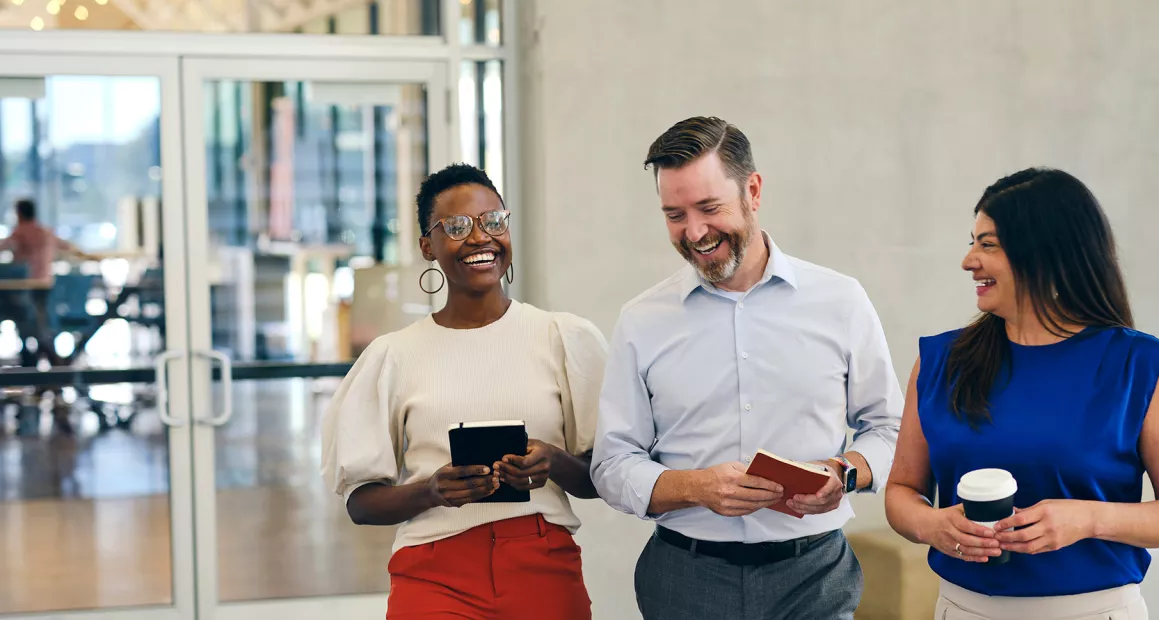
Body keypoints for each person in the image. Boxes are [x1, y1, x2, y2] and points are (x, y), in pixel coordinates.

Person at [592, 116, 901, 619]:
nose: (694, 232)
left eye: (709, 208)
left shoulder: (840, 300)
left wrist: (844, 473)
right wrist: (696, 487)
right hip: (685, 580)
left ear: (753, 191)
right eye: (675, 214)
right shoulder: (641, 320)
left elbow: (889, 428)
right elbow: (611, 465)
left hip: (814, 578)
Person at [881, 168, 1159, 619]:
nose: (968, 260)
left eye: (988, 245)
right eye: (972, 241)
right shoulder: (942, 361)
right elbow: (901, 490)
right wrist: (932, 525)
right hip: (960, 609)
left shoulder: (1144, 367)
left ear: (1047, 254)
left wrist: (1089, 518)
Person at [321, 163, 606, 619]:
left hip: (541, 563)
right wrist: (431, 491)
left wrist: (553, 460)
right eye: (456, 227)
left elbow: (604, 477)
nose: (480, 238)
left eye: (493, 221)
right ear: (427, 247)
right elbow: (361, 503)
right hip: (434, 570)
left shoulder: (562, 338)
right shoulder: (393, 355)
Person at [0, 199, 102, 366]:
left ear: (19, 213)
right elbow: (70, 248)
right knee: (42, 324)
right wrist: (91, 257)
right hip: (45, 286)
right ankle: (53, 365)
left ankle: (43, 364)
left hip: (24, 288)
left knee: (29, 324)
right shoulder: (46, 232)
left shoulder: (20, 233)